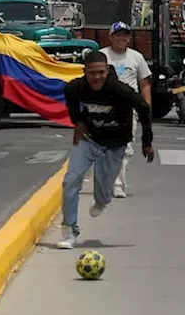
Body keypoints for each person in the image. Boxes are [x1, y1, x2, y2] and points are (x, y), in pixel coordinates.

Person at [57, 50, 155, 249]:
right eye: (92, 73)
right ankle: (69, 230)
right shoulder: (77, 88)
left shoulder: (120, 90)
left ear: (107, 72)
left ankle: (102, 200)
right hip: (89, 139)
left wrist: (147, 142)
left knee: (103, 192)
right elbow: (69, 98)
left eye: (101, 72)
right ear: (85, 72)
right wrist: (79, 122)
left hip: (115, 144)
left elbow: (144, 110)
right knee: (70, 181)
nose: (96, 77)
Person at [103, 22, 152, 199]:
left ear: (129, 39)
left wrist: (147, 106)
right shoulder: (102, 56)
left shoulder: (136, 58)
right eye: (118, 35)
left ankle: (118, 185)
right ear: (111, 37)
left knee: (124, 147)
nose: (121, 39)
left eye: (125, 36)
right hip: (104, 108)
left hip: (128, 109)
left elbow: (145, 84)